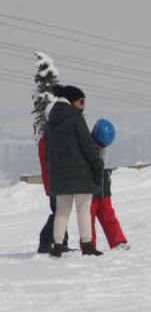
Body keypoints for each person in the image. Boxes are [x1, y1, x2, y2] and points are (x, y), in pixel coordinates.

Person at [44, 85, 105, 258]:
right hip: (81, 174)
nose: (83, 105)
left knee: (62, 211)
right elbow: (87, 147)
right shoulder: (76, 119)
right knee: (83, 210)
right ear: (72, 101)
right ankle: (87, 245)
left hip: (59, 174)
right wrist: (97, 164)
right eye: (81, 101)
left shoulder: (51, 122)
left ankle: (57, 245)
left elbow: (48, 151)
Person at [86, 119, 130, 251]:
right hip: (89, 189)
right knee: (88, 218)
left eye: (103, 145)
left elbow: (104, 164)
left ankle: (118, 241)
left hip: (103, 186)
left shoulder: (102, 148)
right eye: (98, 144)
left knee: (108, 215)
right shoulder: (85, 145)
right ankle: (89, 245)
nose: (100, 147)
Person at [36, 133, 73, 254]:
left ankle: (61, 242)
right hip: (55, 183)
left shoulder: (49, 139)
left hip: (55, 183)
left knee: (61, 211)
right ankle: (45, 242)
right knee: (59, 213)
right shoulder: (49, 140)